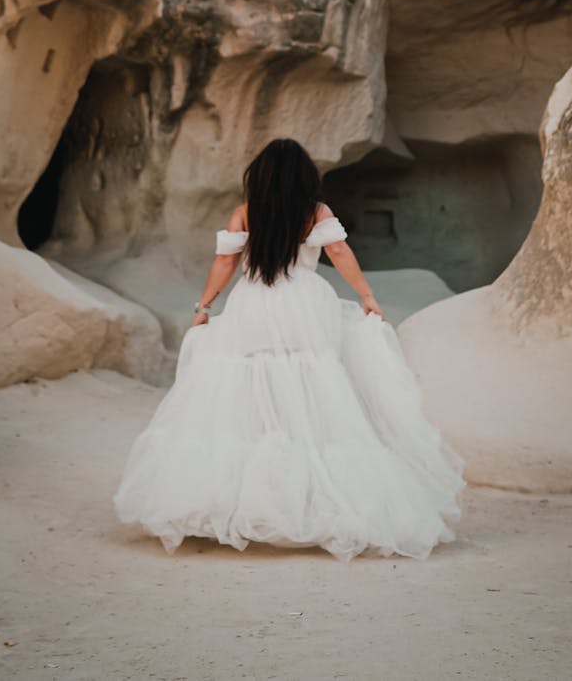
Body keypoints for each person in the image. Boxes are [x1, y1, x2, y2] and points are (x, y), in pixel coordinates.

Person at [113, 138, 464, 561]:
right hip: (304, 303)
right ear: (304, 178)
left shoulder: (245, 213)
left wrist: (204, 307)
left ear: (258, 177)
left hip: (254, 302)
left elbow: (225, 264)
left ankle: (244, 501)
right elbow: (338, 250)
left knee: (247, 389)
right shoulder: (316, 212)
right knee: (311, 388)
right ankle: (311, 500)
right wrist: (366, 296)